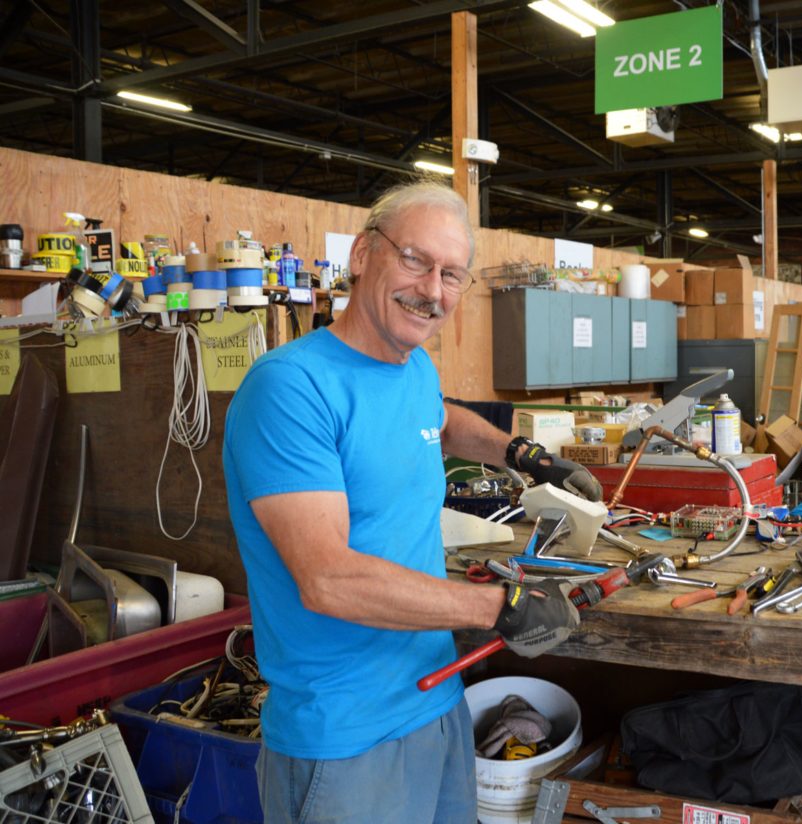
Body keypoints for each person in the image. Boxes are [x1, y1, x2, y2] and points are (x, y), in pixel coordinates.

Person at [222, 180, 604, 824]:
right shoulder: (290, 389)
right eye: (414, 260)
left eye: (451, 274)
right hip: (346, 739)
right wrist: (500, 604)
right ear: (362, 254)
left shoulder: (412, 366)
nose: (432, 290)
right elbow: (328, 579)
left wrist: (523, 455)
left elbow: (440, 419)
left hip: (436, 702)